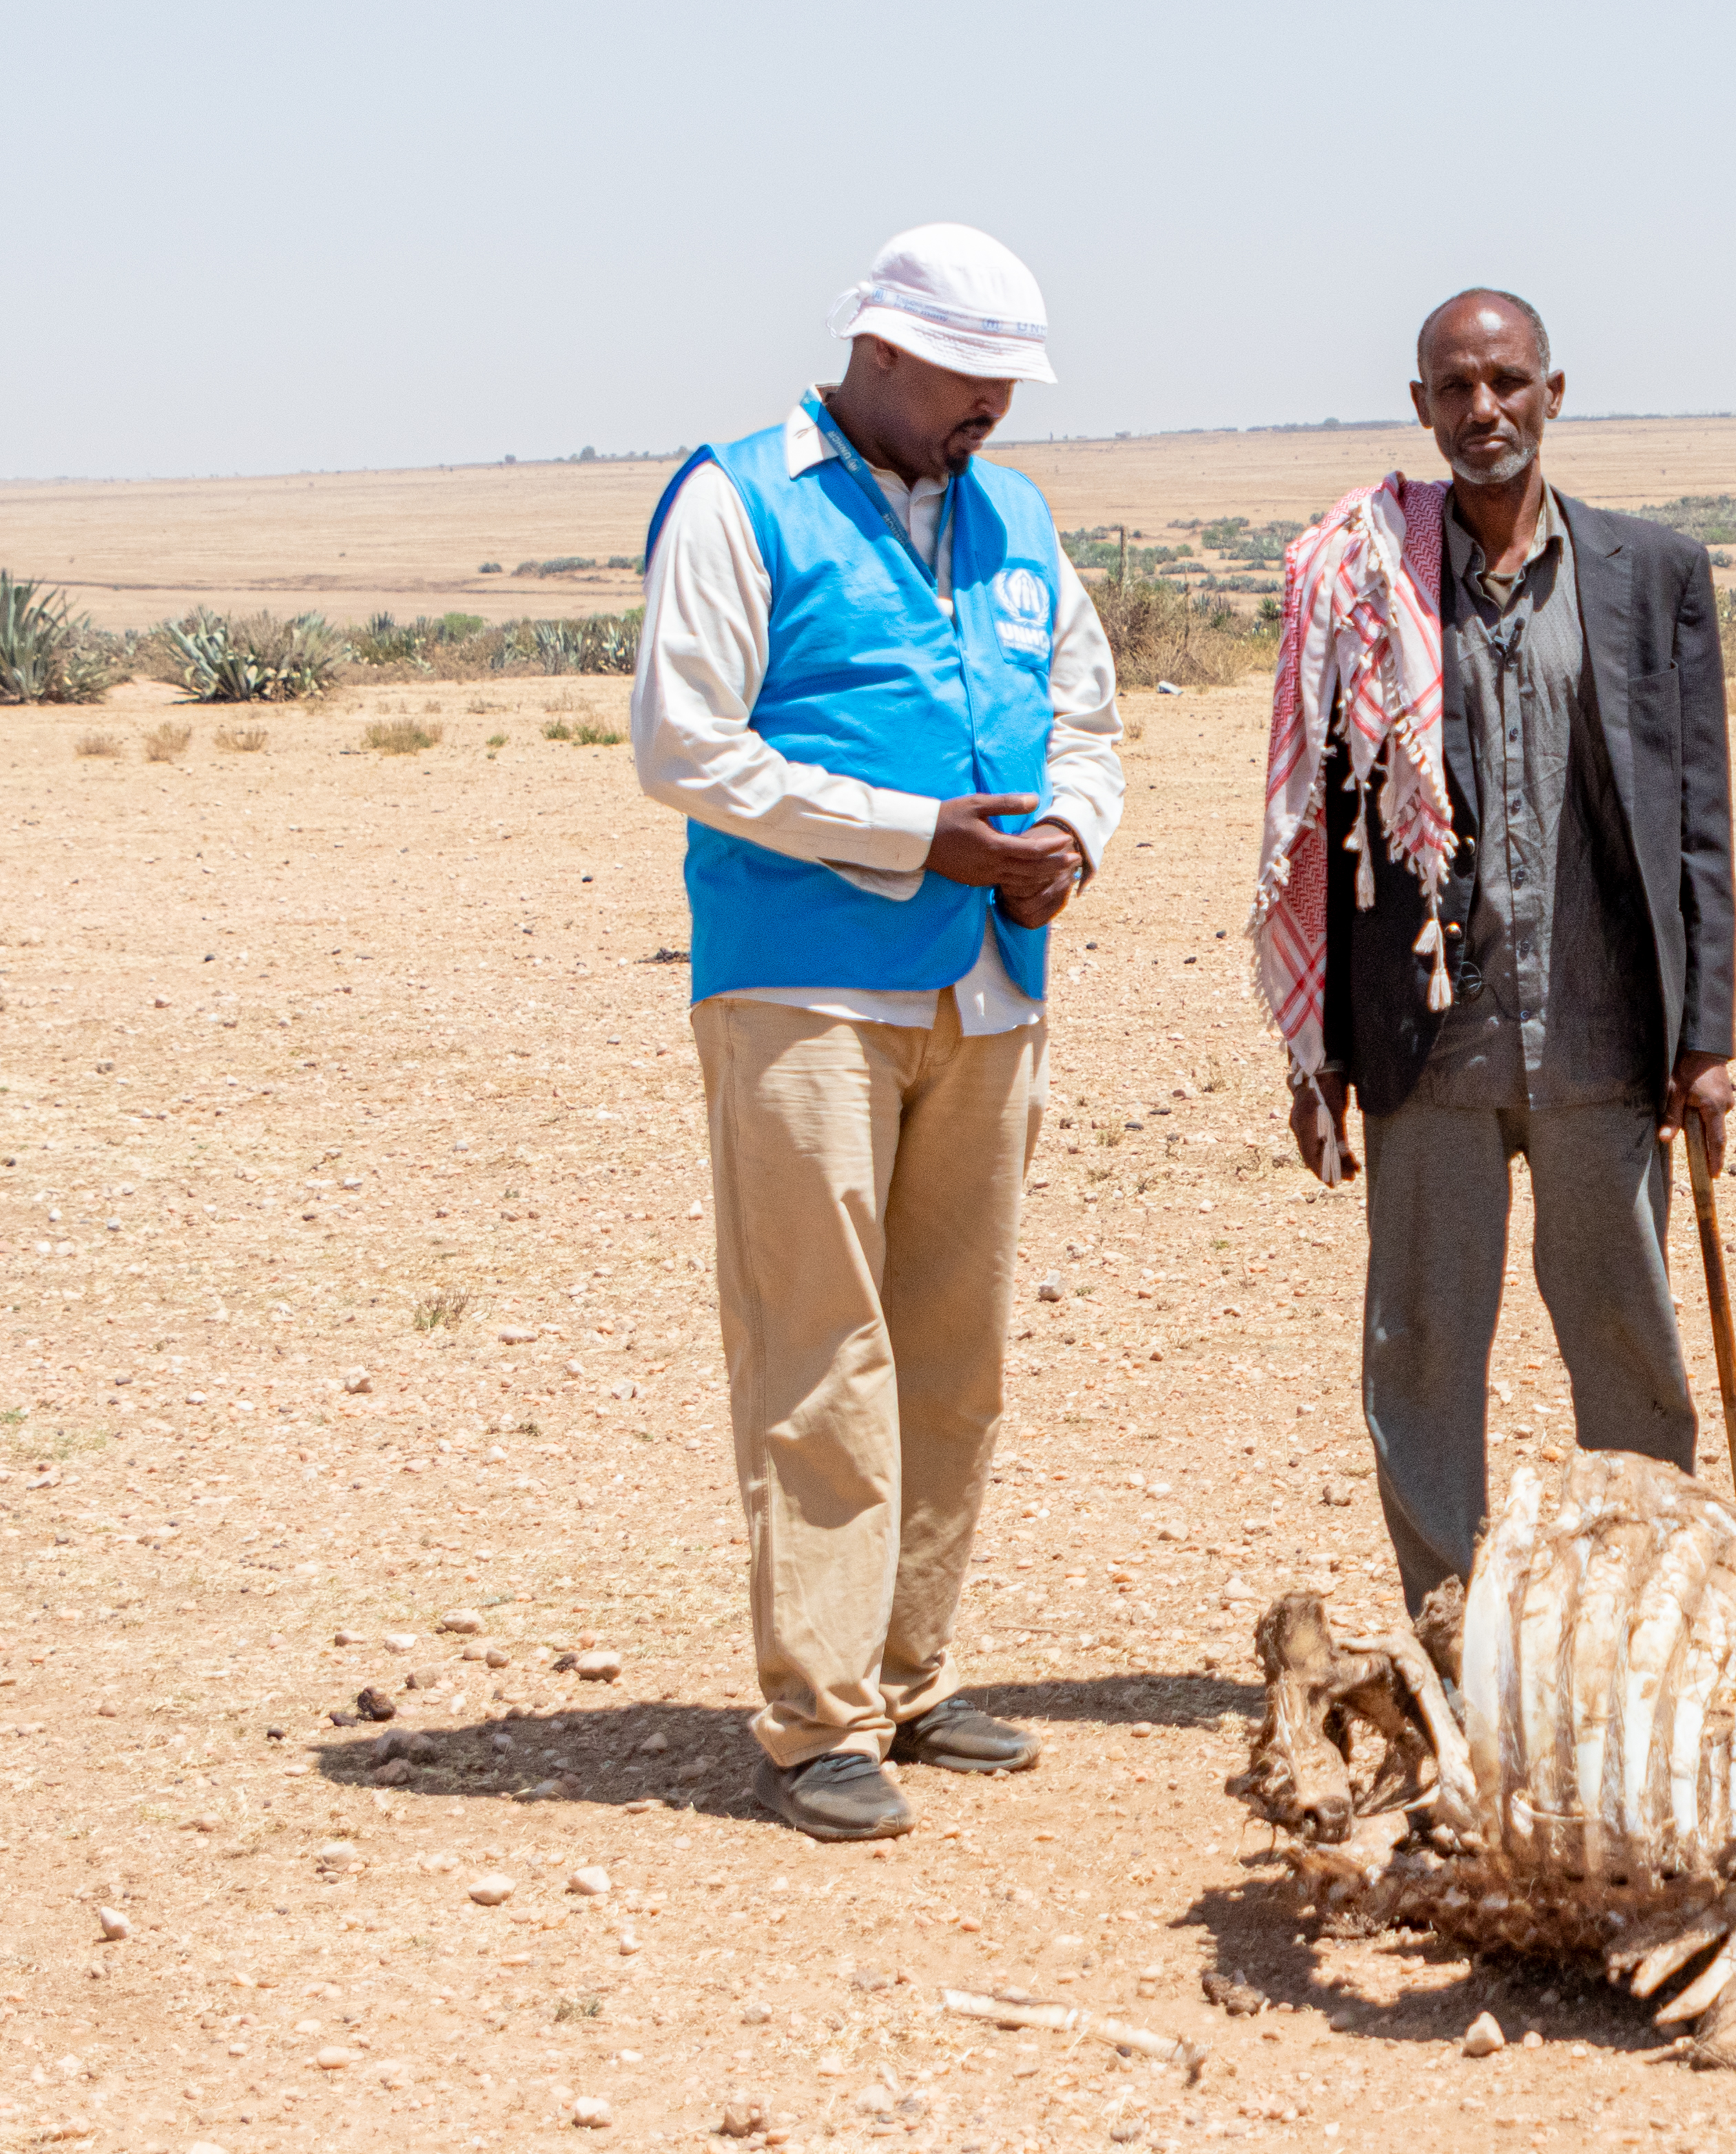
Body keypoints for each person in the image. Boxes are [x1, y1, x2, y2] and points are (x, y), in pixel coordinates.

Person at [630, 224, 1124, 1840]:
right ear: (882, 349)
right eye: (975, 382)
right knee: (820, 1343)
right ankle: (819, 1714)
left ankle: (916, 1670)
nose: (995, 411)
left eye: (1010, 387)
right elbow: (690, 749)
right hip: (802, 984)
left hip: (987, 984)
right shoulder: (738, 497)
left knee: (954, 1350)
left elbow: (1083, 716)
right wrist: (923, 836)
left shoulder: (1017, 517)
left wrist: (1067, 844)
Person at [1248, 288, 1736, 1611]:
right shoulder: (1368, 588)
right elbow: (1336, 830)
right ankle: (1452, 1636)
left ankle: (1647, 1623)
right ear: (1420, 407)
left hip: (1600, 1035)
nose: (1484, 412)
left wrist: (1707, 1039)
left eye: (1508, 383)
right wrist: (1322, 1057)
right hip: (1432, 1046)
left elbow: (1698, 823)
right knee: (1418, 1352)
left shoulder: (1653, 575)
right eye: (1455, 389)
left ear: (1553, 393)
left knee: (1630, 1352)